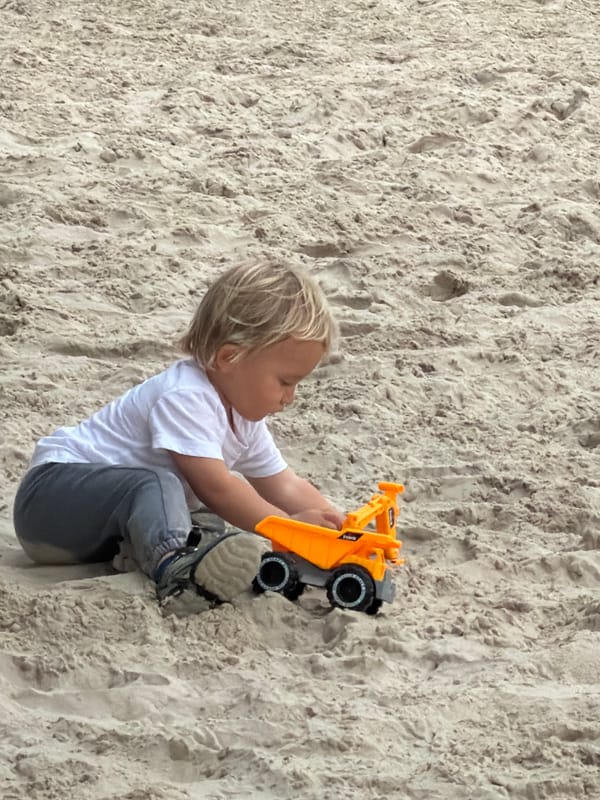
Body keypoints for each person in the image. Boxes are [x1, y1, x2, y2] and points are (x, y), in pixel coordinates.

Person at [13, 260, 344, 604]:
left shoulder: (245, 419)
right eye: (285, 382)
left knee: (205, 519)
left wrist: (340, 533)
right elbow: (217, 487)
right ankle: (177, 571)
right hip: (49, 501)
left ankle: (147, 555)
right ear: (230, 357)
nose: (290, 397)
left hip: (95, 530)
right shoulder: (186, 395)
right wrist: (289, 529)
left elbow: (284, 485)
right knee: (163, 485)